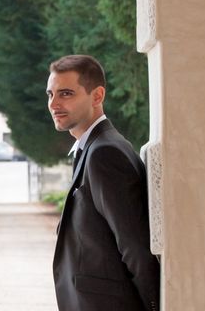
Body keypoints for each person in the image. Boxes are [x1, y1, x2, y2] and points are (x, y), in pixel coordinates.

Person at [46, 55, 160, 311]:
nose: (54, 104)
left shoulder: (104, 152)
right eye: (50, 94)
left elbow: (135, 246)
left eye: (66, 93)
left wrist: (154, 306)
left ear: (97, 96)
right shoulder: (91, 149)